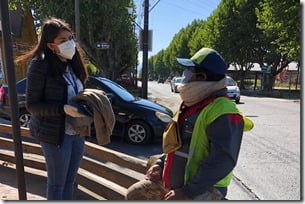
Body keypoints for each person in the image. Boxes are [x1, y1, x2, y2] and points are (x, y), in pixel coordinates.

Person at [125, 47, 254, 200]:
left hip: (202, 190)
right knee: (134, 195)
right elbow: (179, 144)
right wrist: (160, 164)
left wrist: (187, 192)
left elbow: (223, 161)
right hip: (177, 185)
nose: (185, 75)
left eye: (189, 71)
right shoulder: (194, 103)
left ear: (202, 76)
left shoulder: (223, 111)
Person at [15, 17, 89, 200]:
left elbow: (77, 91)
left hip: (77, 133)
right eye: (63, 41)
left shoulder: (72, 65)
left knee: (70, 182)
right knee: (57, 185)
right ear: (50, 46)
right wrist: (62, 108)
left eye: (70, 38)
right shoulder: (40, 65)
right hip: (55, 135)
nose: (70, 43)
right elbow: (32, 105)